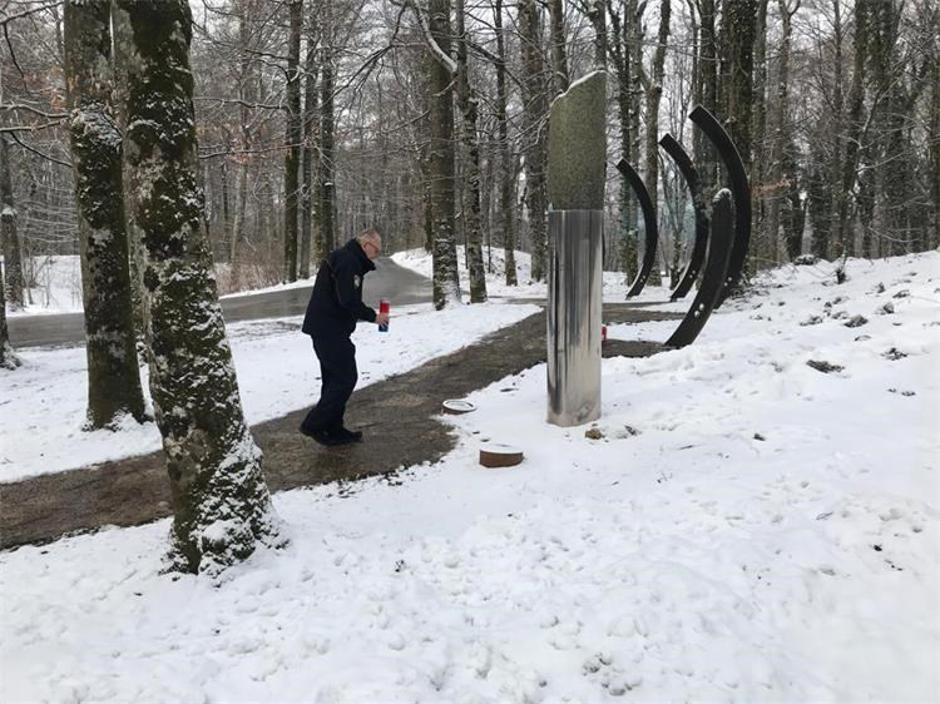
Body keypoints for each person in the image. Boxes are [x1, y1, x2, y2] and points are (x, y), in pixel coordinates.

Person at [299, 228, 390, 446]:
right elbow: (347, 299)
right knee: (345, 378)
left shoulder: (347, 258)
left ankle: (333, 428)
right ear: (366, 244)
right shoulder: (349, 261)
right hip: (328, 329)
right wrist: (373, 317)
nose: (375, 255)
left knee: (333, 380)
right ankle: (314, 424)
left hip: (329, 328)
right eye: (375, 250)